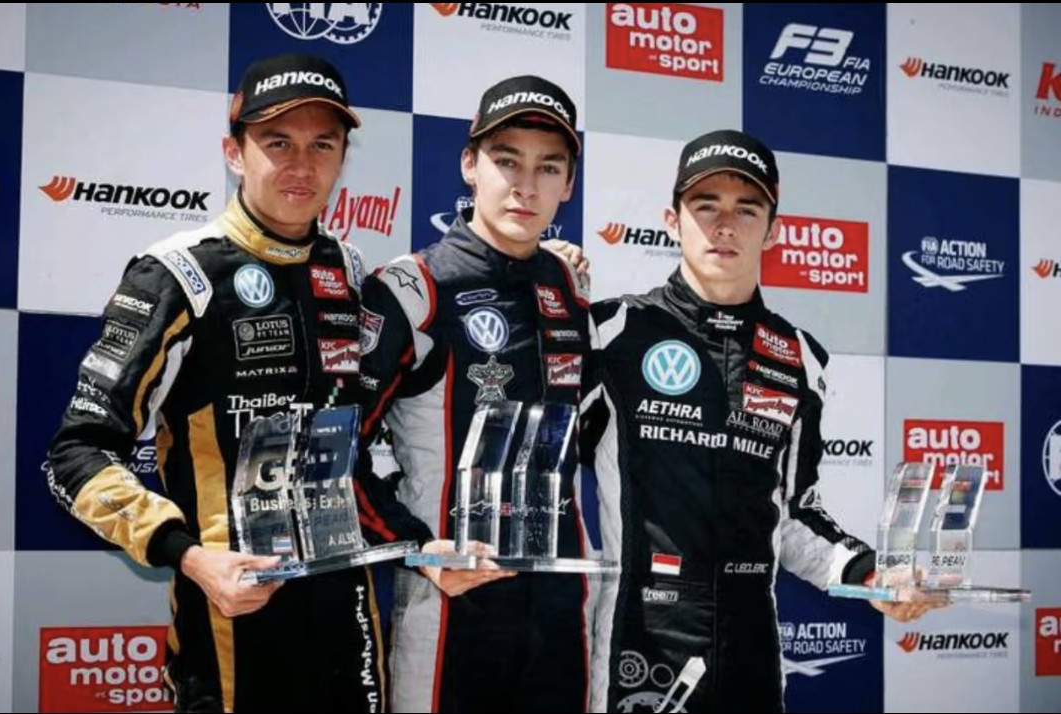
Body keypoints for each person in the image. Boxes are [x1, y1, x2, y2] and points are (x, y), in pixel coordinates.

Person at [46, 53, 386, 713]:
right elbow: (75, 454)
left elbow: (361, 433)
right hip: (234, 609)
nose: (301, 165)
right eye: (277, 143)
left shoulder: (346, 268)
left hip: (345, 607)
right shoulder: (177, 276)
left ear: (343, 158)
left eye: (323, 145)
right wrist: (190, 557)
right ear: (235, 154)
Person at [582, 129, 936, 713]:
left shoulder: (798, 358)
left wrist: (869, 573)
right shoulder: (611, 334)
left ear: (772, 231)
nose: (725, 225)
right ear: (672, 221)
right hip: (640, 642)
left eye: (746, 210)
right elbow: (537, 460)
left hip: (751, 651)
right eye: (706, 206)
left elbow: (793, 514)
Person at [353, 75, 593, 712]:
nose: (526, 186)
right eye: (507, 161)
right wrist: (416, 546)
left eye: (548, 167)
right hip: (451, 613)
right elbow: (335, 451)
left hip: (560, 614)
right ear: (469, 165)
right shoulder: (412, 288)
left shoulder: (568, 284)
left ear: (569, 184)